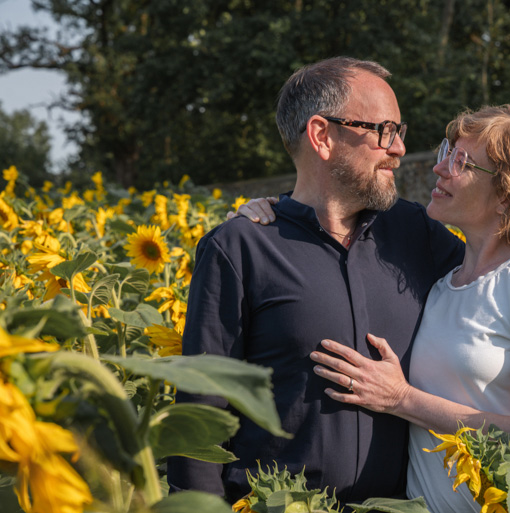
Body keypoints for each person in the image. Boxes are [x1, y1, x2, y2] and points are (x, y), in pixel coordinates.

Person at [166, 56, 467, 504]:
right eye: (384, 130)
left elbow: (501, 292)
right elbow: (201, 409)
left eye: (399, 131)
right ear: (322, 136)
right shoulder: (241, 248)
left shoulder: (416, 233)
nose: (400, 148)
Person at [305, 106, 510, 513]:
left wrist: (401, 398)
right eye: (447, 152)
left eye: (462, 163)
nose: (440, 168)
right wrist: (271, 212)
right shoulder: (440, 280)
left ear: (509, 194)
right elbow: (327, 205)